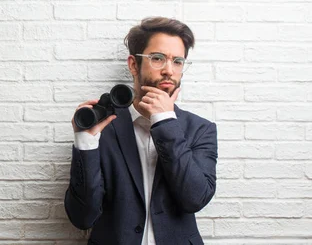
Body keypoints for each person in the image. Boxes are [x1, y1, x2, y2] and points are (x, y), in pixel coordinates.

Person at [64, 17, 218, 245]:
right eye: (157, 58)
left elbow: (194, 199)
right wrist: (85, 143)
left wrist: (165, 121)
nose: (169, 70)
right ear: (134, 64)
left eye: (177, 61)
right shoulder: (103, 127)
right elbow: (83, 217)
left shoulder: (200, 129)